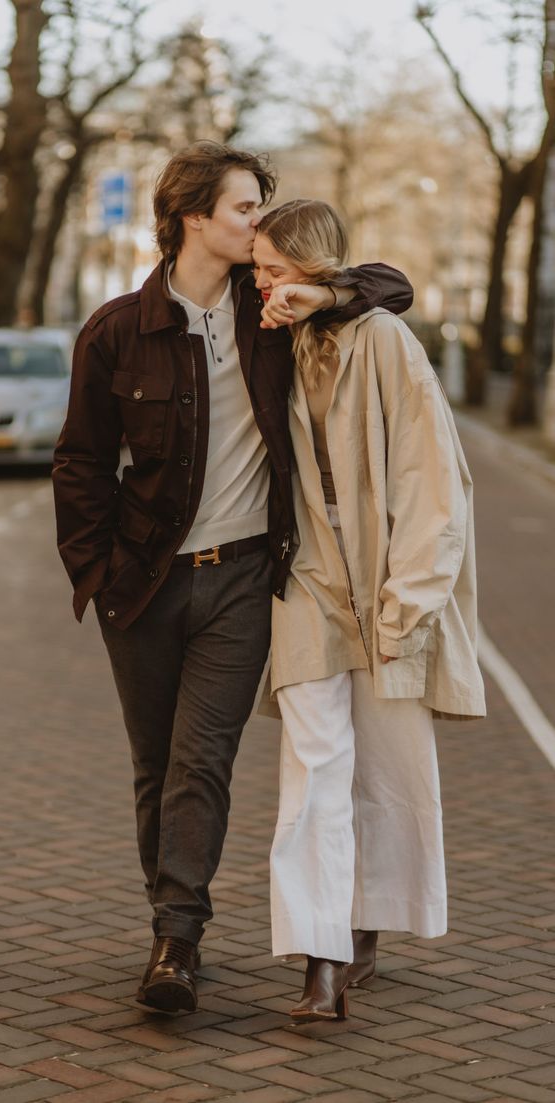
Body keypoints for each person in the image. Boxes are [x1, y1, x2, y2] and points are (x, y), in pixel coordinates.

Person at [52, 142, 413, 1015]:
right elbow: (80, 463)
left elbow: (389, 284)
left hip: (245, 576)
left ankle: (177, 941)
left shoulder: (275, 311)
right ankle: (168, 922)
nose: (259, 223)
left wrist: (315, 291)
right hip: (140, 582)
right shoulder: (115, 329)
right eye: (246, 208)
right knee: (154, 765)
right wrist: (96, 571)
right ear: (193, 218)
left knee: (200, 762)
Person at [252, 198, 486, 1024]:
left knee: (388, 772)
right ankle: (320, 957)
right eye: (255, 271)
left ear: (314, 272)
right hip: (309, 585)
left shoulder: (383, 340)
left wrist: (410, 598)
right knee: (312, 774)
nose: (262, 287)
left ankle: (367, 925)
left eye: (274, 271)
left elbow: (433, 479)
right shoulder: (269, 344)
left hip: (390, 587)